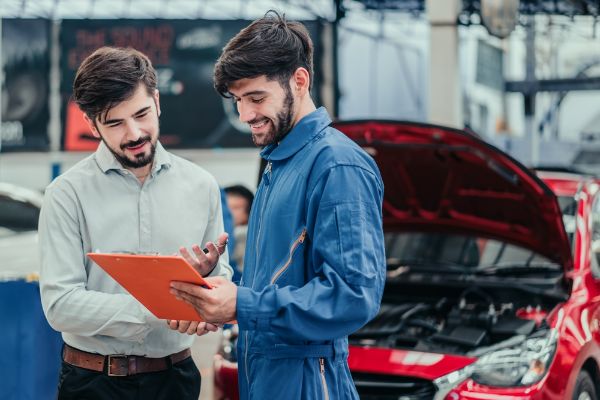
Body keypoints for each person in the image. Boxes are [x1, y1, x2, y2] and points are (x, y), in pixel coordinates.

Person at [170, 11, 385, 400]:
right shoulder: (278, 163)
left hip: (309, 383)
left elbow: (353, 295)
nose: (245, 115)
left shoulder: (337, 166)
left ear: (299, 81)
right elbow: (280, 282)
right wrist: (215, 290)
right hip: (265, 379)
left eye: (256, 98)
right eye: (238, 100)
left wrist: (243, 304)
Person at [38, 46, 232, 400]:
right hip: (92, 382)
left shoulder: (201, 185)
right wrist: (160, 307)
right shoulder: (66, 194)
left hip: (176, 379)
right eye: (114, 123)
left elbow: (222, 278)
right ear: (91, 124)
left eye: (142, 113)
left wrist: (206, 294)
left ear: (157, 101)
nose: (134, 133)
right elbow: (60, 304)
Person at [224, 184, 254, 271]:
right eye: (226, 207)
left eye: (236, 208)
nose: (229, 212)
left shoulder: (247, 237)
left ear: (249, 211)